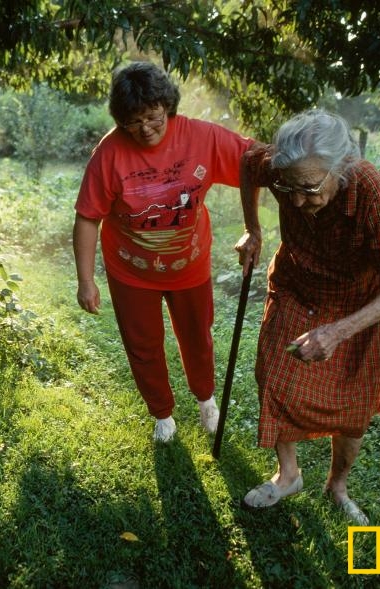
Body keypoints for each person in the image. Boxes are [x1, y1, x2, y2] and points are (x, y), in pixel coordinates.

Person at [234, 109, 380, 524]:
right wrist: (253, 228)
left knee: (355, 401)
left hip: (362, 298)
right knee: (275, 370)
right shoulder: (282, 167)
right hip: (300, 279)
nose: (297, 200)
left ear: (342, 168)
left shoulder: (370, 191)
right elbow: (247, 163)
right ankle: (288, 474)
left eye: (310, 188)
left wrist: (337, 332)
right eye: (288, 188)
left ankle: (337, 486)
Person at [73, 61, 255, 442]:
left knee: (197, 336)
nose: (145, 129)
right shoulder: (109, 154)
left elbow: (256, 164)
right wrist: (86, 280)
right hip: (131, 271)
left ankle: (206, 400)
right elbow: (88, 218)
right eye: (133, 122)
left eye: (153, 117)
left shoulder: (201, 137)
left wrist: (253, 227)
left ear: (167, 106)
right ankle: (162, 414)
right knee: (143, 344)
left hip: (189, 266)